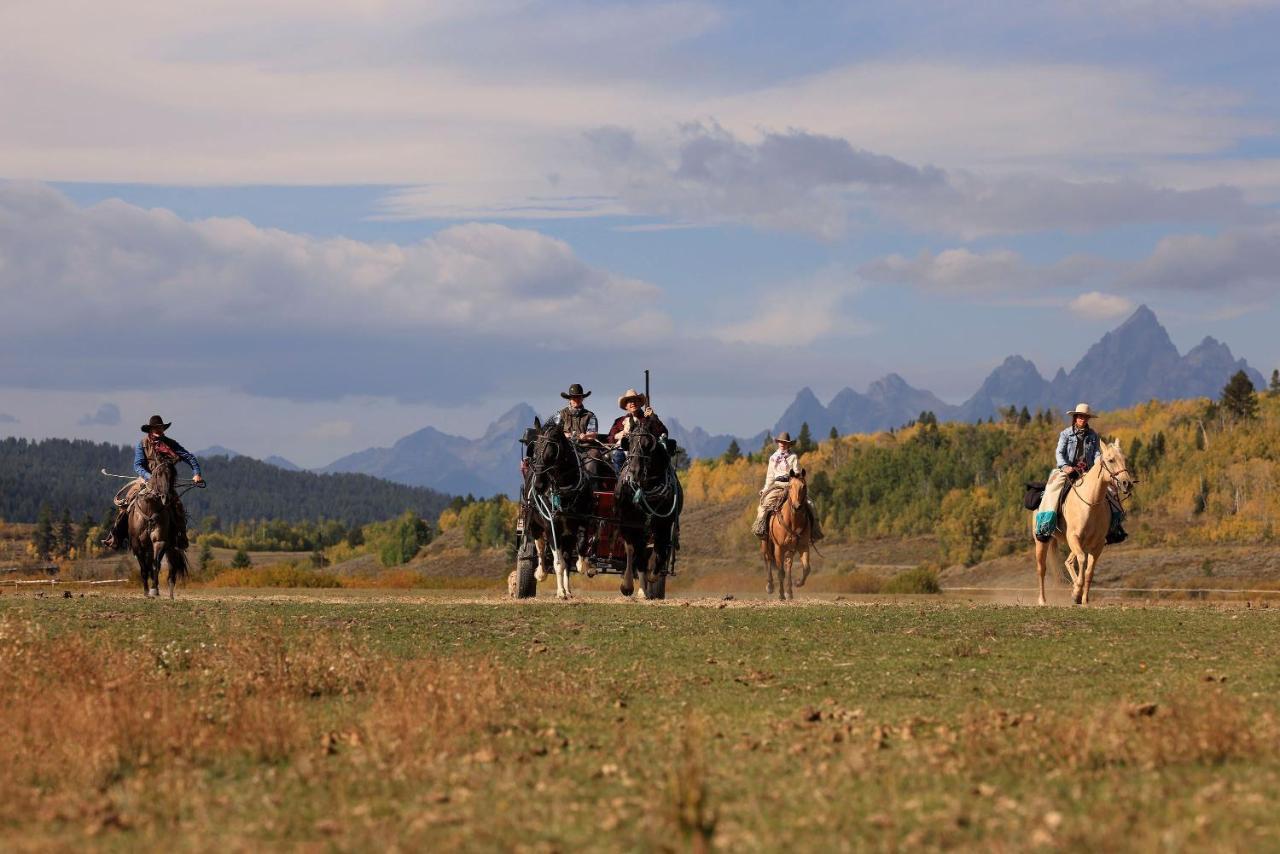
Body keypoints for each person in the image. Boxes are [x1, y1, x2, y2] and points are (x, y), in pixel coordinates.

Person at [103, 415, 204, 550]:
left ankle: (180, 538)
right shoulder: (142, 444)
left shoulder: (170, 444)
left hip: (165, 483)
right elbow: (138, 465)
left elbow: (189, 457)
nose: (158, 430)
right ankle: (116, 537)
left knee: (177, 507)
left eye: (160, 427)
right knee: (127, 502)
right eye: (155, 428)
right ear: (150, 430)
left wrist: (196, 473)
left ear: (163, 429)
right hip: (145, 480)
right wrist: (149, 477)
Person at [1034, 403, 1100, 542]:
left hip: (1087, 471)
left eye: (1086, 417)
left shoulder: (1093, 435)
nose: (1083, 419)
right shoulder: (1066, 433)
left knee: (1107, 490)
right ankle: (1046, 523)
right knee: (1053, 489)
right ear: (1075, 417)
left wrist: (1097, 466)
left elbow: (1097, 453)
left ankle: (1112, 527)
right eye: (1080, 416)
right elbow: (1059, 452)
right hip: (1068, 470)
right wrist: (1065, 466)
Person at [752, 432, 823, 541]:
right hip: (777, 486)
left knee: (810, 503)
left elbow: (798, 473)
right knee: (765, 503)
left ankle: (815, 530)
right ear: (778, 443)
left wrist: (796, 482)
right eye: (781, 442)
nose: (782, 444)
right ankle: (760, 527)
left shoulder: (793, 457)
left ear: (789, 444)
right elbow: (770, 477)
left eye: (785, 442)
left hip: (791, 485)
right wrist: (765, 489)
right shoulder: (773, 458)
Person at [606, 388, 668, 470]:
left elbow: (663, 432)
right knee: (618, 455)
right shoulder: (619, 421)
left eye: (635, 400)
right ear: (625, 406)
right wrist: (618, 436)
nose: (632, 403)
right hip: (623, 454)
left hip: (645, 454)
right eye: (629, 401)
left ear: (639, 403)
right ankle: (621, 480)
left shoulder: (648, 418)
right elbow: (609, 438)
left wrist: (653, 417)